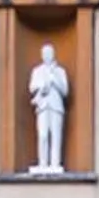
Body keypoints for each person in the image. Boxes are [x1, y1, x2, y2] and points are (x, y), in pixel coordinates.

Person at [29, 42, 69, 173]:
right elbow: (32, 87)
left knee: (56, 135)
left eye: (49, 53)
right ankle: (43, 163)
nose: (47, 55)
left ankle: (55, 164)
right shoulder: (37, 71)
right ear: (42, 55)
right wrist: (42, 85)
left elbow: (65, 91)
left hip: (56, 106)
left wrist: (54, 79)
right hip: (43, 106)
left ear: (53, 55)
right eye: (45, 53)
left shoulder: (60, 71)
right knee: (43, 135)